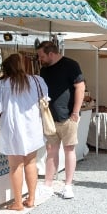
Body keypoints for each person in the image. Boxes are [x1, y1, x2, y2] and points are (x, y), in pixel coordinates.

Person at [0, 54, 47, 210]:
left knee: (16, 166)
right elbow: (45, 99)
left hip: (13, 128)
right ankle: (31, 199)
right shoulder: (36, 80)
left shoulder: (3, 84)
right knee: (31, 162)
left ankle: (17, 202)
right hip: (32, 126)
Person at [36, 41, 85, 200]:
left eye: (42, 56)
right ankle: (48, 184)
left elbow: (80, 87)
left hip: (68, 116)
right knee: (51, 150)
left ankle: (68, 185)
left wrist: (76, 112)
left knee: (69, 150)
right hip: (50, 118)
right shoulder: (44, 70)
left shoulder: (71, 65)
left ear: (51, 53)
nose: (40, 59)